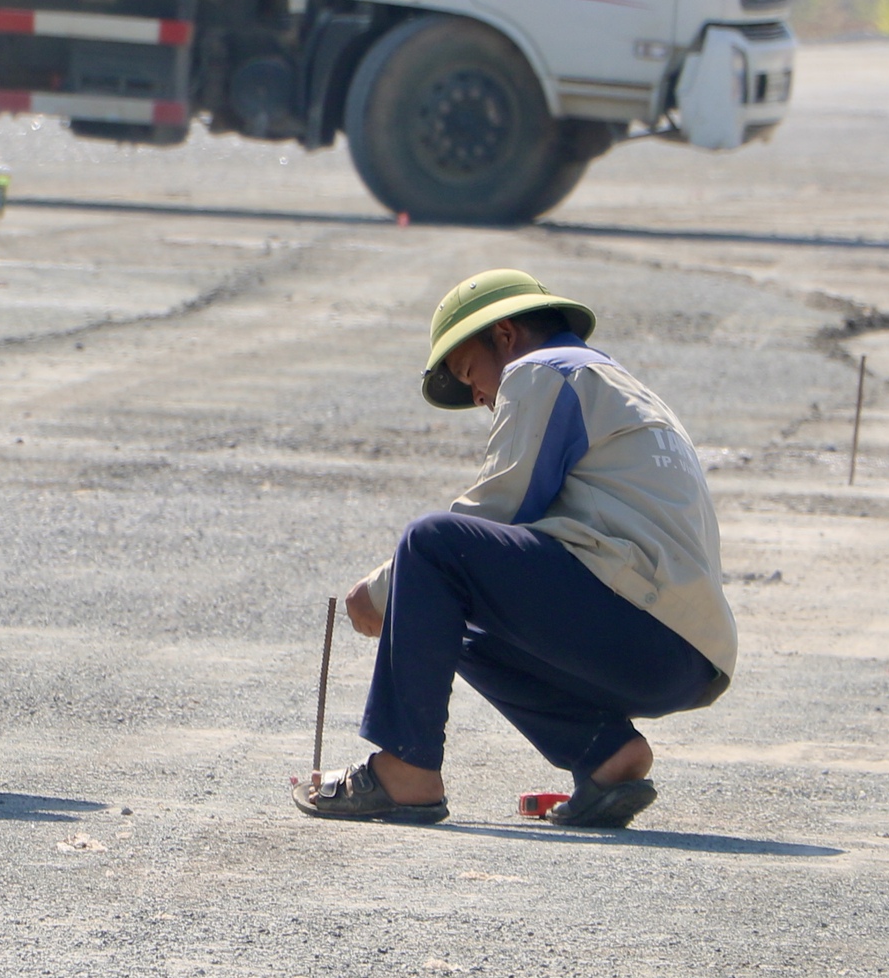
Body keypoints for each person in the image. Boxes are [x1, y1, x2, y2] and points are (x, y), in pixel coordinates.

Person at [296, 269, 736, 828]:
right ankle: (603, 751)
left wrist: (382, 591)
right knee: (446, 615)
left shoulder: (546, 371)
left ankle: (405, 768)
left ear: (505, 335)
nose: (479, 396)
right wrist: (413, 604)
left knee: (431, 546)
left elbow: (500, 507)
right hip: (686, 656)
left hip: (640, 625)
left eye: (469, 373)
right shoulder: (623, 389)